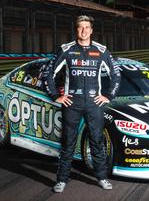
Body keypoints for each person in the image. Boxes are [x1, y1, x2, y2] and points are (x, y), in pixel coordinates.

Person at [43, 15, 121, 193]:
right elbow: (48, 74)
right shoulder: (67, 50)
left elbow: (116, 75)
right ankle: (62, 179)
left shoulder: (101, 51)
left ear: (92, 30)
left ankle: (101, 178)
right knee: (68, 142)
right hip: (72, 103)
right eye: (80, 27)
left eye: (87, 27)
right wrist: (56, 96)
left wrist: (108, 95)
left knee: (97, 140)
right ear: (76, 29)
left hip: (94, 104)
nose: (84, 30)